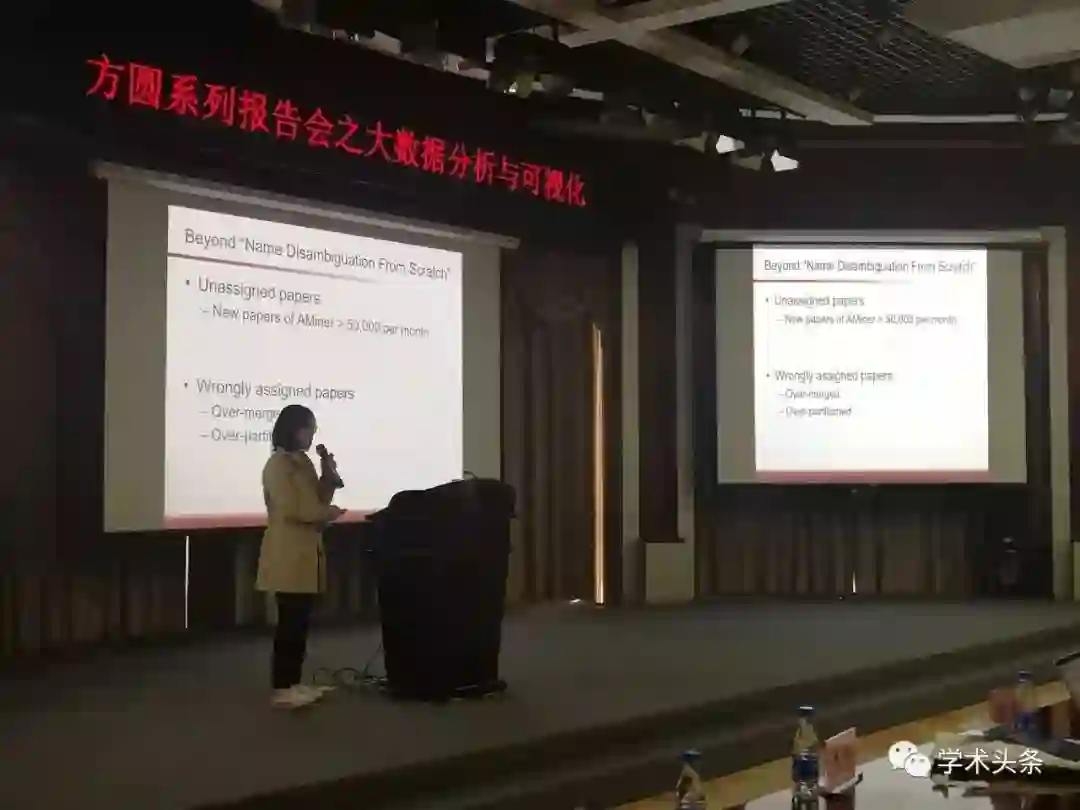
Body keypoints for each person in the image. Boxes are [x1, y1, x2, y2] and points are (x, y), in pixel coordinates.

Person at [257, 404, 346, 709]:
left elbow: (317, 500)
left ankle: (294, 682)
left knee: (300, 622)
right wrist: (327, 513)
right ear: (293, 429)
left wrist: (328, 475)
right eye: (309, 428)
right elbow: (294, 508)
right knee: (289, 623)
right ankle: (282, 687)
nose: (312, 435)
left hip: (307, 551)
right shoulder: (278, 465)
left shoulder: (304, 462)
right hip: (288, 552)